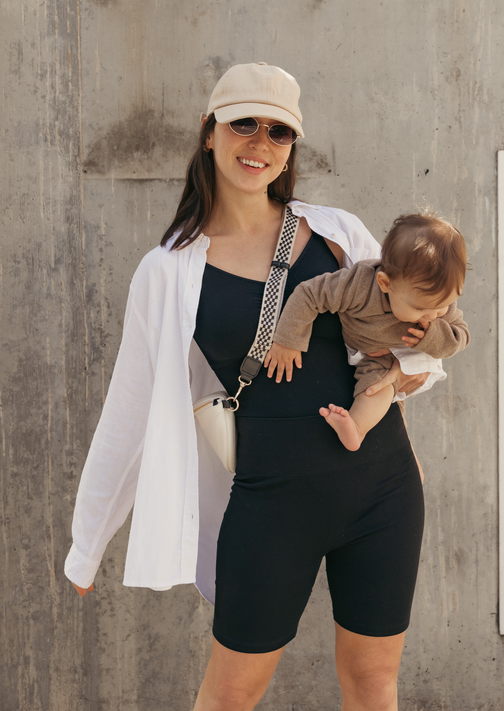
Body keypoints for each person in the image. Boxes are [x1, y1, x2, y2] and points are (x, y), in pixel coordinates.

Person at [65, 62, 446, 711]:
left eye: (279, 132)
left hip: (382, 491)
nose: (260, 144)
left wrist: (409, 357)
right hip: (269, 507)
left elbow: (416, 346)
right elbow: (128, 411)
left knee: (374, 683)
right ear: (209, 131)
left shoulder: (335, 232)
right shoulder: (167, 271)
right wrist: (86, 545)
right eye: (244, 123)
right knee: (231, 694)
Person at [266, 213, 470, 452]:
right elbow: (310, 294)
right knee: (381, 392)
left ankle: (357, 428)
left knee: (378, 387)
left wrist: (433, 336)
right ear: (385, 283)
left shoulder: (438, 304)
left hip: (401, 357)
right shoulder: (359, 286)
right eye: (419, 308)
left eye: (443, 305)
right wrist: (288, 340)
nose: (432, 315)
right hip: (366, 347)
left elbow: (461, 336)